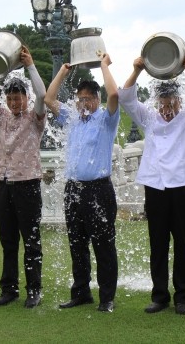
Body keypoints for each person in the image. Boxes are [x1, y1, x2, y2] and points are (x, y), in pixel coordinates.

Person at [117, 55, 185, 315]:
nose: (167, 109)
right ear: (157, 102)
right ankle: (159, 296)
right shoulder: (149, 118)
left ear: (179, 100)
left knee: (183, 243)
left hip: (183, 185)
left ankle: (183, 297)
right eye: (163, 103)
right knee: (158, 243)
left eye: (171, 103)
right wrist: (136, 69)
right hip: (155, 186)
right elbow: (126, 97)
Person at [44, 54, 120, 313]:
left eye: (88, 99)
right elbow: (49, 100)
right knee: (77, 243)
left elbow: (115, 95)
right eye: (80, 99)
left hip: (99, 190)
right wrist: (63, 72)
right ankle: (81, 292)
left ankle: (107, 297)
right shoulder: (73, 118)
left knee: (104, 245)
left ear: (96, 100)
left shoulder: (105, 119)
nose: (83, 103)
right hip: (73, 189)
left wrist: (104, 66)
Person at [0, 46, 46, 309]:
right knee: (8, 241)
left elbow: (42, 93)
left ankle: (34, 290)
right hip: (4, 185)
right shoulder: (1, 116)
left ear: (26, 99)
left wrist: (30, 65)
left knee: (31, 241)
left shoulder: (35, 117)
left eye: (19, 98)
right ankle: (9, 289)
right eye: (11, 98)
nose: (15, 103)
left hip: (28, 185)